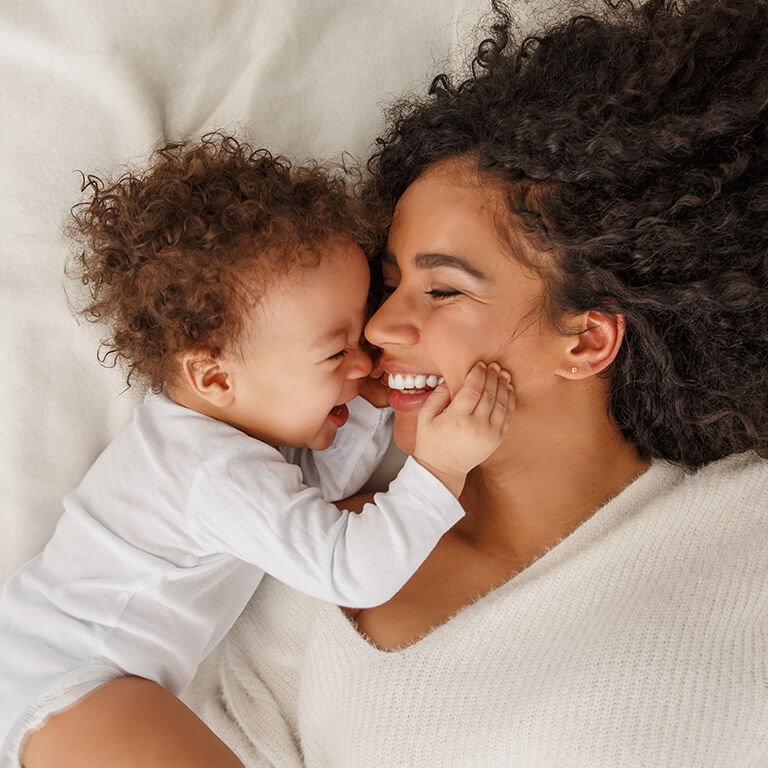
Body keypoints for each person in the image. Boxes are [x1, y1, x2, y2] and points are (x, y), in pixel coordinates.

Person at [17, 0, 768, 766]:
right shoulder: (312, 549)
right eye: (389, 284)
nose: (378, 330)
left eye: (441, 291)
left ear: (587, 337)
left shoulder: (743, 533)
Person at [0, 134, 515, 768]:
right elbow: (348, 566)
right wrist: (438, 471)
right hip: (72, 684)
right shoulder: (212, 470)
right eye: (337, 353)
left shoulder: (225, 434)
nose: (366, 361)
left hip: (61, 679)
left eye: (359, 335)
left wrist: (364, 406)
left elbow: (316, 493)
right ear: (215, 377)